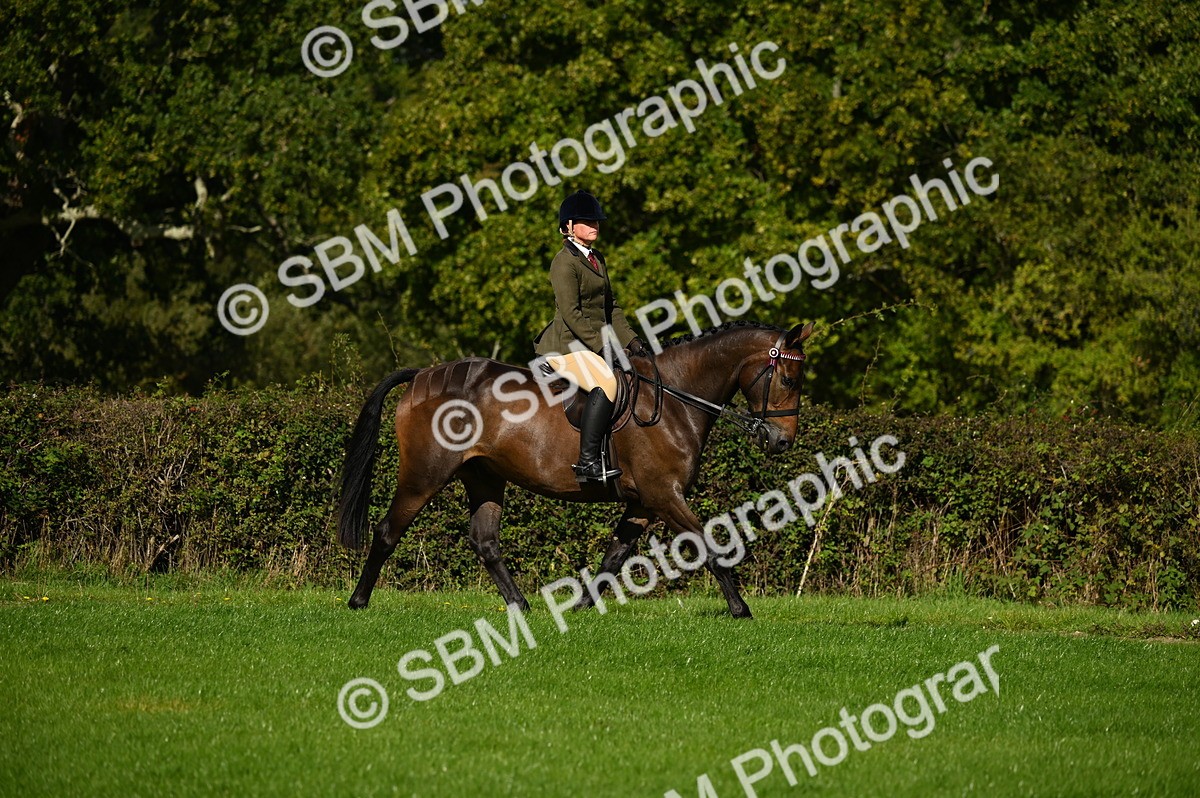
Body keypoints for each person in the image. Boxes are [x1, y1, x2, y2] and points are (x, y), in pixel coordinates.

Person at [533, 190, 647, 482]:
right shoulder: (563, 263)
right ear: (568, 226)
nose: (595, 224)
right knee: (606, 381)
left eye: (596, 220)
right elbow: (571, 314)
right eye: (587, 220)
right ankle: (587, 463)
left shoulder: (598, 259)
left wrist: (631, 341)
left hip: (593, 345)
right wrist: (604, 347)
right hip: (565, 347)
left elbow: (612, 308)